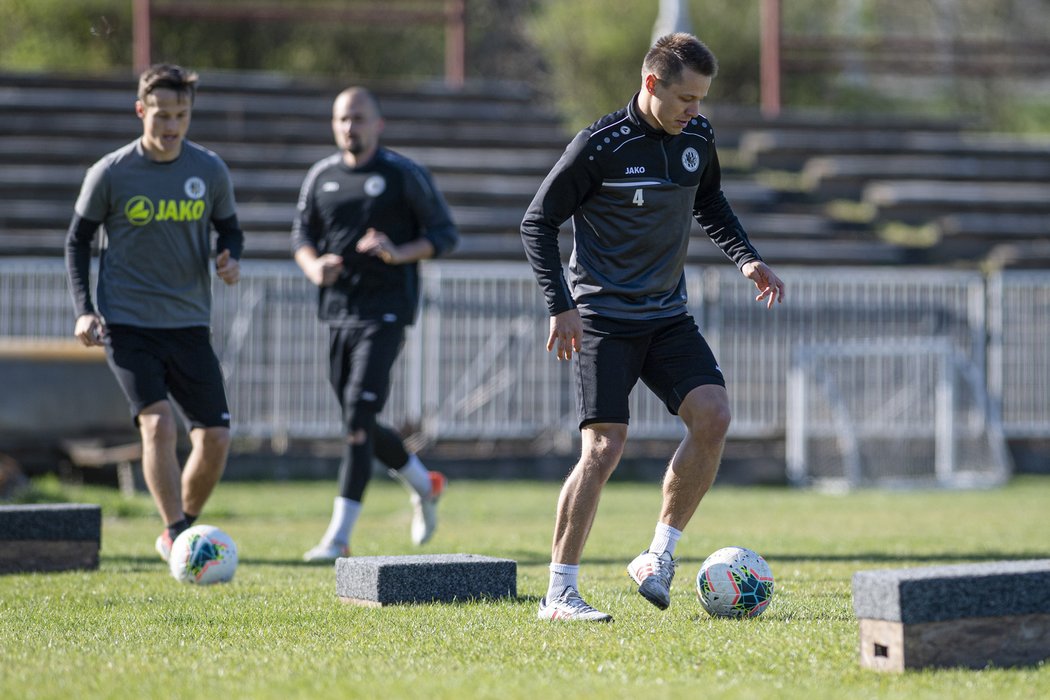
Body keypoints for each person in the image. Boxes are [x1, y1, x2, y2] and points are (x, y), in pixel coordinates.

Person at [520, 33, 786, 622]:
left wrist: (747, 258)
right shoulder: (599, 145)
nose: (696, 110)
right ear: (651, 84)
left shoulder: (697, 136)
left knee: (713, 415)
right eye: (686, 98)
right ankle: (559, 592)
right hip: (602, 318)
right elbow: (537, 222)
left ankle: (658, 557)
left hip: (666, 314)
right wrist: (559, 304)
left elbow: (709, 202)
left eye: (702, 99)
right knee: (604, 448)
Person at [65, 64, 245, 562]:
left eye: (181, 116)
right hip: (127, 324)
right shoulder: (111, 172)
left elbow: (230, 230)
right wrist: (85, 310)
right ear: (141, 111)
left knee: (216, 439)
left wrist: (229, 257)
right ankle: (178, 534)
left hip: (189, 324)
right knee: (159, 425)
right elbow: (77, 241)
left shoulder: (209, 170)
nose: (171, 126)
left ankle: (179, 533)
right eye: (162, 115)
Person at [292, 87, 458, 562]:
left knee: (358, 419)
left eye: (360, 118)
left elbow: (445, 235)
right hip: (338, 311)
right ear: (334, 124)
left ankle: (338, 537)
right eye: (343, 119)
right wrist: (312, 266)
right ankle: (425, 483)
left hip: (387, 311)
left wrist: (398, 252)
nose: (351, 127)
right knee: (356, 417)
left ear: (378, 124)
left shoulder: (403, 174)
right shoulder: (320, 176)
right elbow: (300, 234)